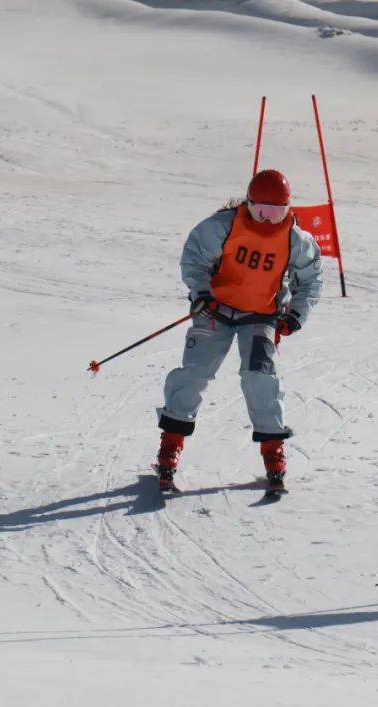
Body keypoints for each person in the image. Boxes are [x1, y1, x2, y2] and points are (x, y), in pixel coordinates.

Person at [154, 169, 323, 495]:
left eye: (278, 212)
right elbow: (194, 258)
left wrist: (296, 315)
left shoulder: (295, 239)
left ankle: (273, 454)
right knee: (194, 375)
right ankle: (169, 448)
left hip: (260, 316)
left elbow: (312, 279)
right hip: (215, 311)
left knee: (260, 378)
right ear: (250, 203)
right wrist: (201, 293)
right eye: (262, 211)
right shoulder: (223, 227)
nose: (269, 220)